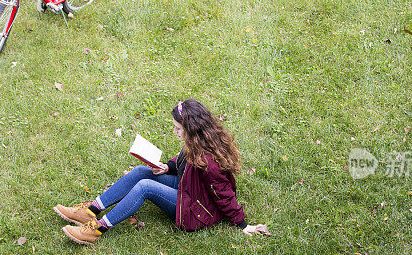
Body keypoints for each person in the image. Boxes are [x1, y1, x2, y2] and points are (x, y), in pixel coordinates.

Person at [54, 98, 269, 245]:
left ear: (192, 129)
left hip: (196, 209)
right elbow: (185, 161)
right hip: (187, 187)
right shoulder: (198, 141)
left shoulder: (210, 162)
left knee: (145, 187)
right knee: (140, 171)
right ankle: (91, 209)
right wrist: (169, 167)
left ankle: (98, 229)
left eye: (178, 128)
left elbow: (224, 194)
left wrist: (242, 224)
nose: (174, 131)